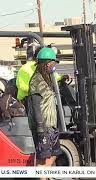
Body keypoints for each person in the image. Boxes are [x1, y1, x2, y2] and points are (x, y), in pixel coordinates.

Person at [16, 47, 64, 180]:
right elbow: (36, 106)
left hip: (50, 123)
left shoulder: (48, 77)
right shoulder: (37, 81)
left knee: (55, 152)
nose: (54, 66)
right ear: (48, 64)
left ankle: (44, 175)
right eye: (54, 63)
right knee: (42, 158)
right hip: (43, 124)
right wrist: (40, 128)